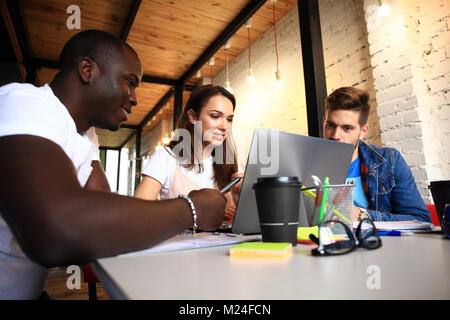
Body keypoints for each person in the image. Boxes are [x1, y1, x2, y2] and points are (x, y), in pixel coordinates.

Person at [0, 30, 226, 299]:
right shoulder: (24, 102)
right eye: (130, 83)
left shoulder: (85, 134)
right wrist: (192, 209)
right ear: (87, 70)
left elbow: (103, 218)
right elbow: (54, 231)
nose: (134, 98)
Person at [135, 85, 243, 221]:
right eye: (215, 116)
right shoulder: (167, 158)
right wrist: (192, 209)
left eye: (229, 119)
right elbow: (138, 213)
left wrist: (239, 198)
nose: (224, 126)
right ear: (193, 117)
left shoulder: (230, 164)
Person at [323, 87, 431, 222]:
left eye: (347, 128)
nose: (335, 135)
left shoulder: (389, 162)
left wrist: (363, 215)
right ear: (324, 122)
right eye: (331, 125)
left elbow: (420, 219)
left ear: (363, 131)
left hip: (378, 242)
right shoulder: (306, 163)